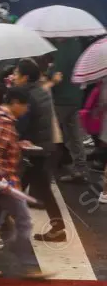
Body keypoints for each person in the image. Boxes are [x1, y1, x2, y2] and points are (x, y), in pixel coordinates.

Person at [0, 88, 50, 280]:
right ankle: (29, 264)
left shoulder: (4, 121)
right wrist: (4, 180)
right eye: (25, 105)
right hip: (5, 184)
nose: (26, 109)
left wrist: (18, 145)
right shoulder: (4, 123)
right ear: (16, 102)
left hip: (1, 183)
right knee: (24, 220)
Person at [11, 59, 65, 242]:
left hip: (33, 148)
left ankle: (1, 223)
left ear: (25, 77)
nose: (13, 76)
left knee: (17, 184)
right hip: (43, 147)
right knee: (36, 185)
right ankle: (58, 228)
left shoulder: (27, 96)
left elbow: (23, 124)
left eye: (16, 73)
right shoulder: (41, 89)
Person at [49, 37, 90, 184]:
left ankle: (48, 171)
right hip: (76, 96)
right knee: (75, 136)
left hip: (61, 99)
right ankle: (81, 169)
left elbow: (56, 75)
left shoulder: (62, 49)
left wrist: (49, 72)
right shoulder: (79, 44)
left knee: (55, 135)